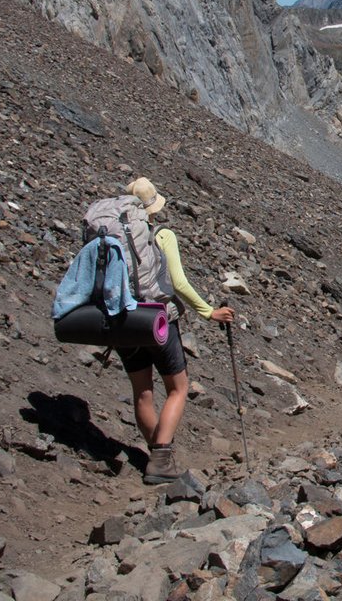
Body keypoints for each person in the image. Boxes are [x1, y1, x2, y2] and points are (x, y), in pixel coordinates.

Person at [120, 176, 234, 484]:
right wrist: (209, 312)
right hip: (157, 320)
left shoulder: (113, 234)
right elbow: (179, 282)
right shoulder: (161, 234)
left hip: (122, 323)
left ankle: (157, 454)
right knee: (178, 388)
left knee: (142, 392)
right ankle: (160, 458)